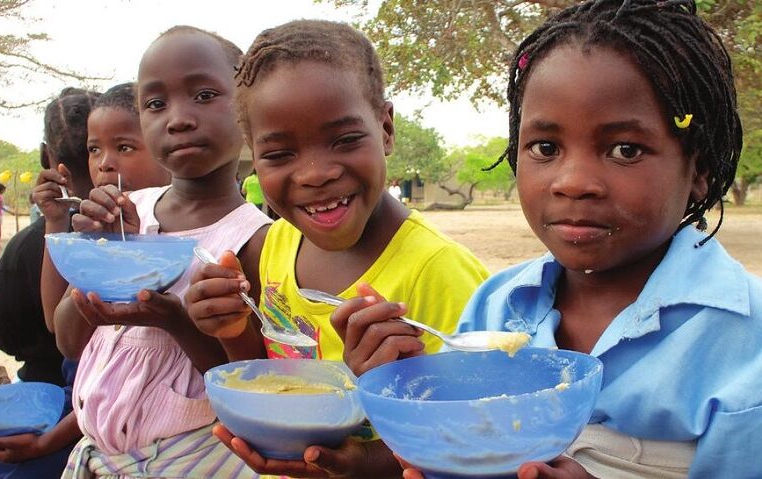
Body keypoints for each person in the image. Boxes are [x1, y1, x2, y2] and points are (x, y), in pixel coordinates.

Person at [339, 1, 761, 478]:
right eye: (545, 148)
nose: (573, 181)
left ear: (698, 170)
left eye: (625, 149)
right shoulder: (496, 306)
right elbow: (462, 452)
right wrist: (399, 383)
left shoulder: (745, 341)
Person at [184, 20, 489, 477]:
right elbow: (272, 375)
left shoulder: (440, 271)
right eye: (280, 154)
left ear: (385, 128)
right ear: (253, 155)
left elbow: (476, 432)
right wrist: (230, 330)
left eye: (344, 141)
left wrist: (365, 463)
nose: (314, 174)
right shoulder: (276, 245)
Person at [52, 26, 271, 478]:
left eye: (205, 94)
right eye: (155, 104)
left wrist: (175, 319)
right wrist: (101, 255)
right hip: (97, 454)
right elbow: (69, 341)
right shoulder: (129, 212)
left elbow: (250, 382)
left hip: (193, 459)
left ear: (248, 106)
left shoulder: (253, 239)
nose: (178, 118)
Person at [0, 87, 102, 479]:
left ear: (47, 157)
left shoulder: (30, 247)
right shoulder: (146, 233)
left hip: (68, 408)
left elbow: (12, 335)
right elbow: (56, 324)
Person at [36, 81, 170, 334]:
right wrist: (56, 220)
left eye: (124, 148)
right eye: (94, 149)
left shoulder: (180, 228)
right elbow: (58, 327)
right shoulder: (100, 227)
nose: (105, 163)